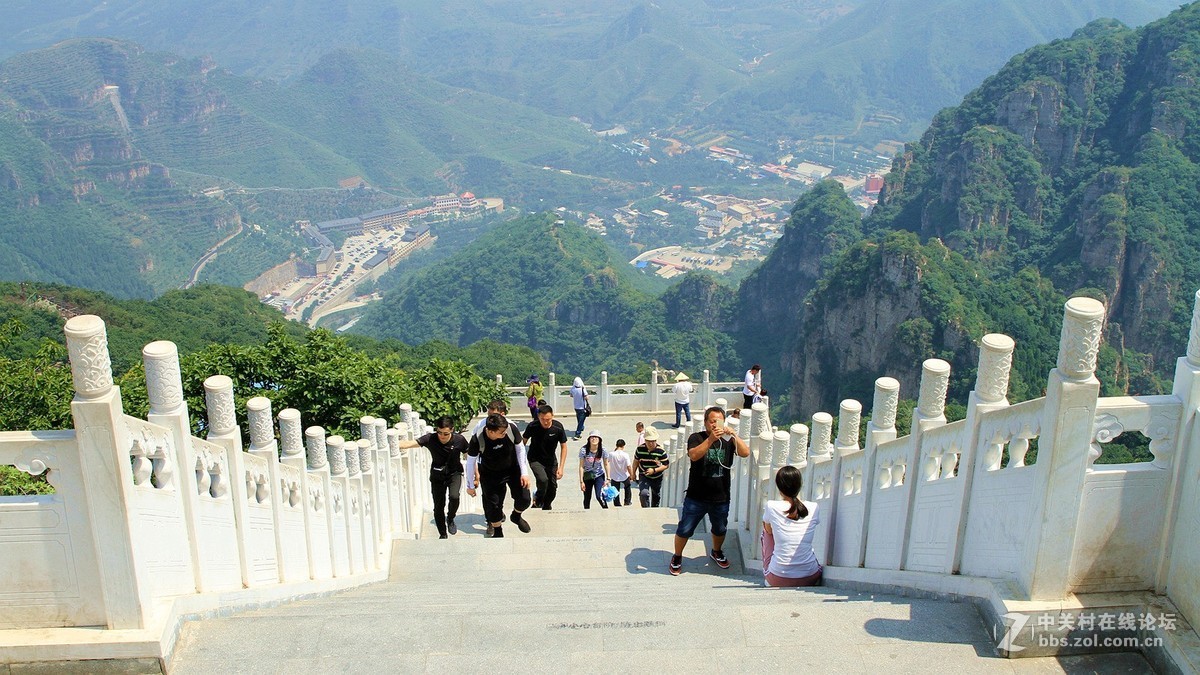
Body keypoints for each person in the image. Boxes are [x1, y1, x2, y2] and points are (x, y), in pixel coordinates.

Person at [670, 406, 750, 576]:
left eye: (718, 421)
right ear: (705, 422)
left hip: (721, 496)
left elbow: (745, 453)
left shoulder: (728, 440)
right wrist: (711, 440)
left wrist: (734, 435)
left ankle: (716, 551)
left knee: (720, 528)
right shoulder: (697, 437)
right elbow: (693, 455)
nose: (715, 424)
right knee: (685, 529)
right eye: (712, 421)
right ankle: (677, 556)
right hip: (696, 496)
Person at [397, 416, 466, 539]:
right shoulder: (431, 438)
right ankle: (442, 534)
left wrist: (476, 473)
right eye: (439, 432)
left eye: (445, 433)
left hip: (454, 473)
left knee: (454, 497)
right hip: (437, 475)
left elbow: (469, 454)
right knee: (438, 506)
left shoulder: (459, 440)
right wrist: (394, 443)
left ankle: (450, 518)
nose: (442, 436)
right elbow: (410, 444)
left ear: (452, 430)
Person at [466, 413, 533, 538]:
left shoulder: (511, 429)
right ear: (491, 431)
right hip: (490, 473)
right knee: (494, 506)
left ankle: (516, 516)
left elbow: (520, 449)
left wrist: (524, 473)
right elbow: (470, 462)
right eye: (501, 433)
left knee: (524, 499)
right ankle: (498, 531)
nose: (504, 433)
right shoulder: (477, 439)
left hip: (512, 469)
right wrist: (470, 485)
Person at [761, 465, 822, 587]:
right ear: (800, 485)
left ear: (779, 487)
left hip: (778, 577)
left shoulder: (771, 506)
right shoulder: (814, 507)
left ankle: (774, 569)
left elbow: (768, 531)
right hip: (811, 577)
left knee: (766, 532)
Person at [523, 404, 569, 510]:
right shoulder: (532, 426)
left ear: (552, 416)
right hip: (535, 459)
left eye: (548, 419)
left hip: (551, 460)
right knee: (543, 480)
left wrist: (561, 467)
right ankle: (538, 498)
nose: (545, 422)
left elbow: (564, 447)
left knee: (552, 487)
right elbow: (523, 442)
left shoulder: (558, 427)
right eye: (542, 419)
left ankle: (547, 505)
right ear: (538, 417)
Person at [633, 427, 668, 507]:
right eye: (649, 441)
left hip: (657, 477)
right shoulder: (639, 449)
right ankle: (646, 508)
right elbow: (636, 462)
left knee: (656, 494)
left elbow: (666, 465)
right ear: (645, 440)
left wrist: (654, 470)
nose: (651, 443)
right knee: (643, 493)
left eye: (653, 441)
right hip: (643, 475)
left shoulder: (661, 451)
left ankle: (654, 508)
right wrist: (633, 473)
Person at [578, 431, 610, 509]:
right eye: (592, 437)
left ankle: (605, 509)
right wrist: (581, 481)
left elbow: (606, 464)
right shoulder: (584, 450)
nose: (594, 439)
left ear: (599, 439)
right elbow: (581, 466)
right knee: (587, 497)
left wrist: (608, 478)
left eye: (596, 437)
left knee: (599, 496)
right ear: (589, 439)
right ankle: (586, 512)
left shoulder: (603, 450)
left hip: (599, 475)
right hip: (587, 475)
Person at [608, 439, 633, 507]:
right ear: (623, 446)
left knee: (615, 490)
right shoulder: (625, 455)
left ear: (616, 445)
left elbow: (607, 461)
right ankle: (627, 501)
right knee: (627, 488)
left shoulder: (611, 454)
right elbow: (629, 466)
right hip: (624, 475)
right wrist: (632, 475)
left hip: (614, 476)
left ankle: (617, 504)